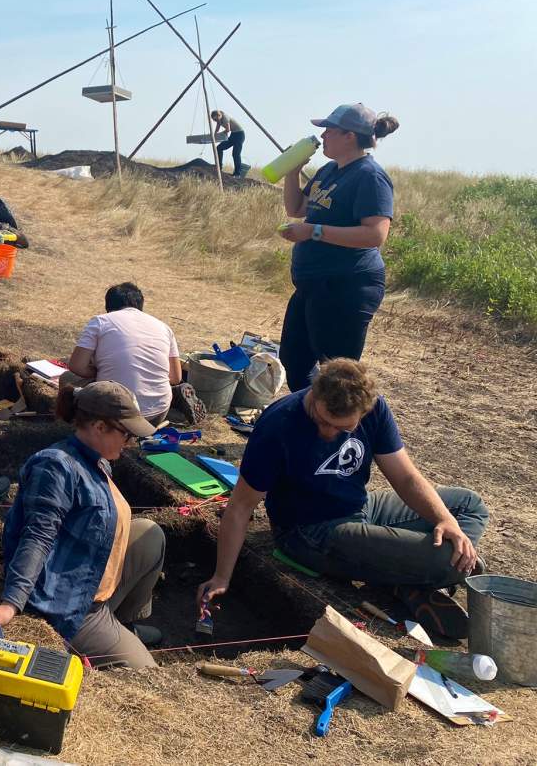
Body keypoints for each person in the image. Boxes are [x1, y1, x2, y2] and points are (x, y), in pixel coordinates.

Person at [198, 358, 488, 640]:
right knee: (452, 562)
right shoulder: (278, 425)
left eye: (342, 428)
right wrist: (222, 577)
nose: (328, 432)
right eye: (322, 419)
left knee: (467, 505)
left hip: (362, 507)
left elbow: (406, 478)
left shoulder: (376, 409)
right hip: (310, 532)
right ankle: (409, 573)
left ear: (364, 411)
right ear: (314, 391)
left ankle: (402, 575)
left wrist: (445, 520)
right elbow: (240, 507)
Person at [0, 381, 163, 669]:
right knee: (147, 671)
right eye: (125, 433)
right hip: (72, 603)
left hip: (94, 578)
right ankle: (102, 634)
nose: (129, 442)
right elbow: (37, 537)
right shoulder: (56, 467)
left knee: (151, 536)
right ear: (99, 426)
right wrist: (11, 603)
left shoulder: (97, 459)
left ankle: (124, 625)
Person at [278, 104, 399, 391]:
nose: (323, 135)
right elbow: (296, 208)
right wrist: (292, 172)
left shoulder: (369, 176)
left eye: (330, 129)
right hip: (313, 284)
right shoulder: (329, 171)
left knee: (338, 374)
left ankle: (340, 430)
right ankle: (311, 424)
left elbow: (375, 234)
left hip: (347, 286)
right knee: (295, 360)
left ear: (350, 136)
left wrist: (313, 231)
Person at [64, 283, 181, 425]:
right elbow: (175, 378)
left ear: (108, 306)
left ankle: (72, 421)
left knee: (67, 379)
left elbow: (76, 366)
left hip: (113, 413)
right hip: (157, 413)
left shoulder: (100, 321)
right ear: (140, 305)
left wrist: (101, 371)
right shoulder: (164, 327)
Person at [210, 110, 246, 177]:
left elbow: (228, 129)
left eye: (216, 119)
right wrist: (214, 135)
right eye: (214, 120)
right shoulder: (219, 120)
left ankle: (237, 174)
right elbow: (217, 127)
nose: (216, 121)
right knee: (219, 148)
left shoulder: (225, 117)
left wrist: (220, 134)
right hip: (233, 135)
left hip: (239, 135)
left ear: (219, 115)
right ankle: (219, 167)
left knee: (236, 154)